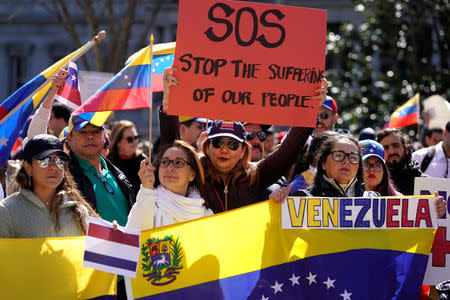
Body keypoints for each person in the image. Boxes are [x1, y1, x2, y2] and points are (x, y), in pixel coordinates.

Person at [159, 67, 328, 213]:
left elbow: (288, 152)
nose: (224, 150)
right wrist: (168, 102)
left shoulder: (255, 176)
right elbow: (170, 147)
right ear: (207, 146)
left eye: (232, 144)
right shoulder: (194, 172)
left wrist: (310, 109)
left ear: (242, 150)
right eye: (218, 143)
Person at [0, 134, 97, 238]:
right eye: (45, 161)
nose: (54, 167)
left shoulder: (79, 211)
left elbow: (93, 250)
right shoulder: (7, 211)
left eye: (60, 161)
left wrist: (111, 234)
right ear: (28, 168)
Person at [126, 140, 212, 230]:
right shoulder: (148, 202)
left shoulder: (205, 215)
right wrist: (146, 189)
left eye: (178, 162)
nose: (170, 168)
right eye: (165, 162)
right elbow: (133, 235)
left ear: (192, 174)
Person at [65, 116, 135, 227]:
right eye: (82, 132)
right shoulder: (64, 177)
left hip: (128, 244)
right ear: (69, 138)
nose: (90, 136)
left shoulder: (117, 173)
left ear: (104, 136)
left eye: (96, 131)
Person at [376, 128, 423, 195]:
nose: (391, 151)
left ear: (406, 149)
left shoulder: (424, 182)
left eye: (395, 146)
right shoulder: (376, 185)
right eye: (386, 148)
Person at [108, 120, 147, 196]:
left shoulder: (143, 160)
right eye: (130, 139)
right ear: (117, 141)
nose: (135, 142)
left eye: (136, 137)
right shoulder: (108, 162)